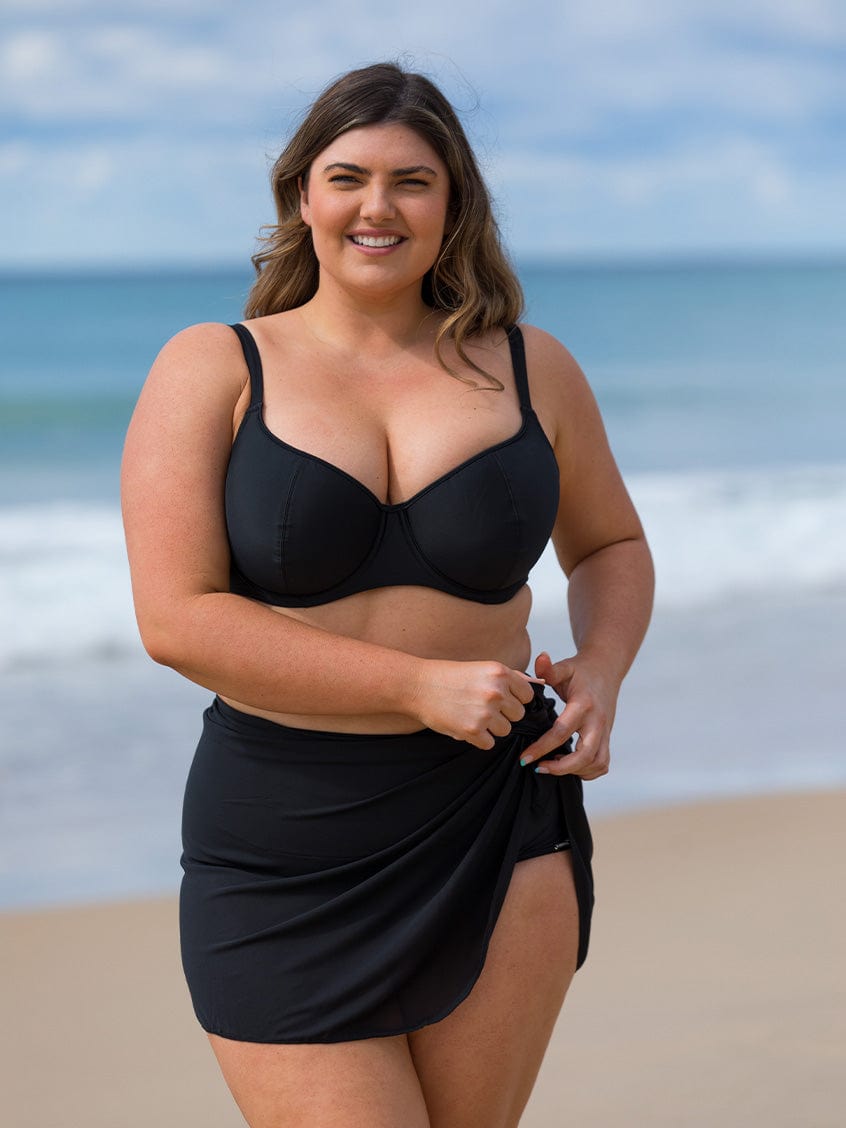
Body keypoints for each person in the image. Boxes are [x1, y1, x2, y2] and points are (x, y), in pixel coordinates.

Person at [122, 61, 653, 1128]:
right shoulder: (213, 368)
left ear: (453, 202)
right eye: (347, 176)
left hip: (497, 819)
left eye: (412, 180)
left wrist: (599, 670)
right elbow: (176, 619)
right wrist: (413, 685)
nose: (378, 206)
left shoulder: (533, 368)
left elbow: (611, 544)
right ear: (302, 198)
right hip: (282, 839)